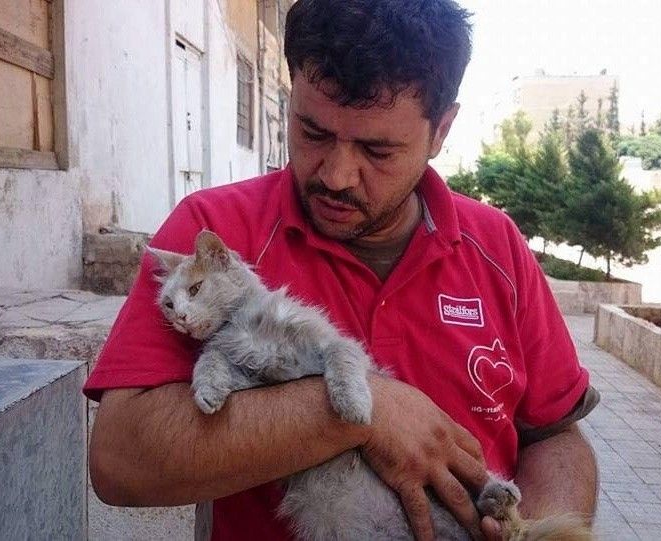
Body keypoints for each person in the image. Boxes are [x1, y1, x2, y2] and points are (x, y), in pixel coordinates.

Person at [86, 0, 599, 539]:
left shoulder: (497, 246)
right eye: (313, 132)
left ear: (441, 130)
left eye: (377, 150)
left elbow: (556, 436)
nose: (335, 175)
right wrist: (361, 406)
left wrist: (532, 529)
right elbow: (122, 460)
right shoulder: (216, 234)